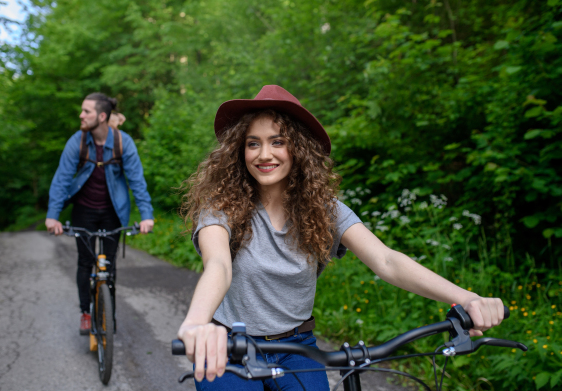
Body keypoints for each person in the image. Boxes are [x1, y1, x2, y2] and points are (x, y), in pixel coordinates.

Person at [177, 85, 505, 390]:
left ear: (298, 148)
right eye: (253, 143)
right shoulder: (221, 208)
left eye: (278, 141)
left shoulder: (325, 210)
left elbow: (386, 260)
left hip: (297, 348)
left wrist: (466, 298)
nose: (265, 154)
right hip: (231, 344)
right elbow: (218, 265)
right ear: (240, 150)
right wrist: (196, 324)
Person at [45, 92, 154, 335]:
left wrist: (146, 215)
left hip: (113, 212)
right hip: (83, 210)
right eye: (82, 111)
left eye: (86, 111)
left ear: (102, 116)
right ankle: (86, 312)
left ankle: (108, 314)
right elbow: (62, 179)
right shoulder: (78, 142)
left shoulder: (123, 142)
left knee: (109, 266)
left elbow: (137, 181)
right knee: (85, 262)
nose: (81, 115)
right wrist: (53, 215)